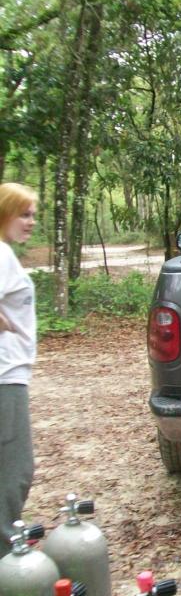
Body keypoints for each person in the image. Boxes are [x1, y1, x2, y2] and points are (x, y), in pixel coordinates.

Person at [0, 183, 38, 557]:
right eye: (24, 214)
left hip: (9, 375)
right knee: (15, 473)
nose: (31, 222)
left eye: (32, 215)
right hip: (4, 378)